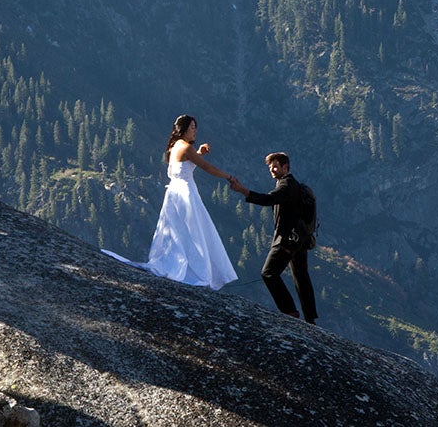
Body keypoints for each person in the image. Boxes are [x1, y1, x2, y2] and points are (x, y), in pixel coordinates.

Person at [102, 114, 238, 290]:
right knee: (194, 231)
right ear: (184, 129)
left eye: (195, 127)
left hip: (175, 192)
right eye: (192, 127)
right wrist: (228, 177)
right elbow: (206, 167)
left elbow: (186, 164)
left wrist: (198, 153)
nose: (195, 130)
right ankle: (199, 272)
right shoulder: (186, 147)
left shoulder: (176, 146)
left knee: (178, 229)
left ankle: (180, 265)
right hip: (186, 193)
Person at [229, 152, 317, 324]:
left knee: (268, 273)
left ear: (286, 167)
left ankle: (289, 311)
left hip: (286, 240)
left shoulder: (286, 185)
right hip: (300, 240)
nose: (272, 170)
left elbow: (268, 199)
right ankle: (310, 318)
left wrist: (242, 190)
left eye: (276, 166)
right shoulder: (296, 185)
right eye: (270, 167)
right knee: (301, 276)